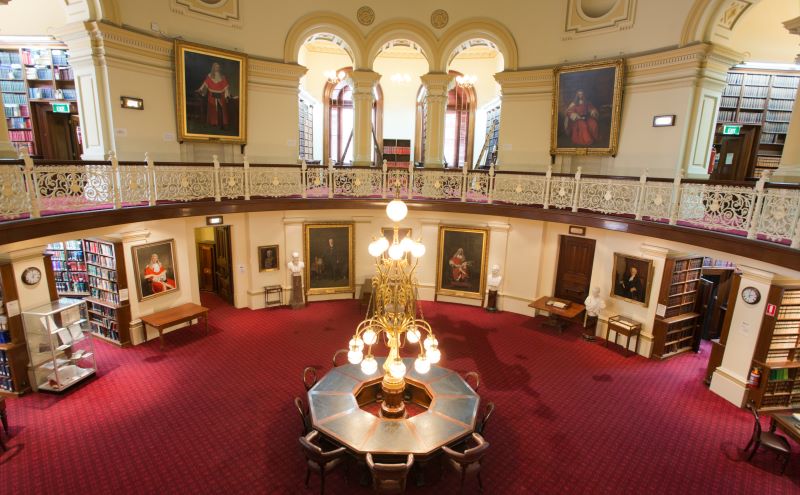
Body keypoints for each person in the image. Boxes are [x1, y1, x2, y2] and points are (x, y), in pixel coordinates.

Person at [195, 62, 231, 130]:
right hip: (212, 94)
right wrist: (200, 89)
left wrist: (227, 95)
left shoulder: (222, 76)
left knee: (221, 109)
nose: (217, 68)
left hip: (221, 94)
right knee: (213, 109)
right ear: (213, 67)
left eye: (218, 67)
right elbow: (205, 84)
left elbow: (226, 86)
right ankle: (214, 123)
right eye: (216, 67)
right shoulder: (209, 76)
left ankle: (222, 124)